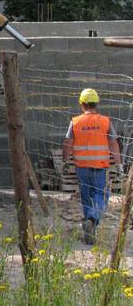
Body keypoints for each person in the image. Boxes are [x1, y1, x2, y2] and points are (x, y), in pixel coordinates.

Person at [63, 88, 122, 244]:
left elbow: (67, 143)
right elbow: (113, 143)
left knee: (86, 198)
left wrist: (65, 160)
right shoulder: (105, 121)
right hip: (100, 166)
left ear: (82, 104)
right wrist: (118, 163)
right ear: (96, 103)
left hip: (82, 167)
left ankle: (89, 232)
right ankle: (92, 219)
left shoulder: (75, 121)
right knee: (101, 195)